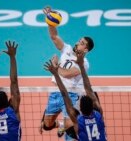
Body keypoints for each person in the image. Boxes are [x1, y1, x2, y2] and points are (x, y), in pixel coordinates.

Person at [40, 6, 95, 140]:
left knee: (70, 132)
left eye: (81, 43)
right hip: (56, 93)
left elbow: (66, 74)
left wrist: (55, 67)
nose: (78, 43)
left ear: (86, 49)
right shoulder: (67, 49)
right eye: (79, 40)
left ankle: (66, 127)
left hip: (70, 96)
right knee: (46, 125)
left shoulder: (84, 63)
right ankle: (60, 125)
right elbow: (54, 36)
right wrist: (50, 20)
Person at [44, 51, 106, 141]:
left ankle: (64, 127)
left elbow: (64, 94)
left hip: (78, 128)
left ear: (80, 109)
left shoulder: (77, 121)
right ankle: (63, 127)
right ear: (93, 106)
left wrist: (55, 74)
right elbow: (88, 89)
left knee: (69, 128)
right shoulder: (99, 114)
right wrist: (81, 66)